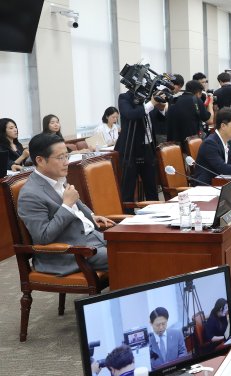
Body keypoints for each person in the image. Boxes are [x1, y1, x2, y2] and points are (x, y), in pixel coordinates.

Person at [17, 133, 115, 275]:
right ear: (40, 160)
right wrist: (67, 206)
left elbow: (76, 202)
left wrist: (92, 215)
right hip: (72, 253)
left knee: (141, 244)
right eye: (60, 157)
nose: (66, 162)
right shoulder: (30, 195)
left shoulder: (56, 176)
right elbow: (42, 237)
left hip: (93, 237)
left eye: (66, 156)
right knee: (131, 257)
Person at [117, 87, 164, 202]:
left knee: (151, 187)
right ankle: (128, 216)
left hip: (148, 148)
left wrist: (161, 106)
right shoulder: (125, 98)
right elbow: (131, 114)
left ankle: (154, 214)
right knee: (128, 189)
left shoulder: (148, 99)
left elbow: (159, 118)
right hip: (130, 149)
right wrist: (151, 103)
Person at [194, 108, 231, 185]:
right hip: (208, 187)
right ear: (223, 126)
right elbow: (222, 168)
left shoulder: (229, 142)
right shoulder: (210, 143)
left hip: (223, 184)